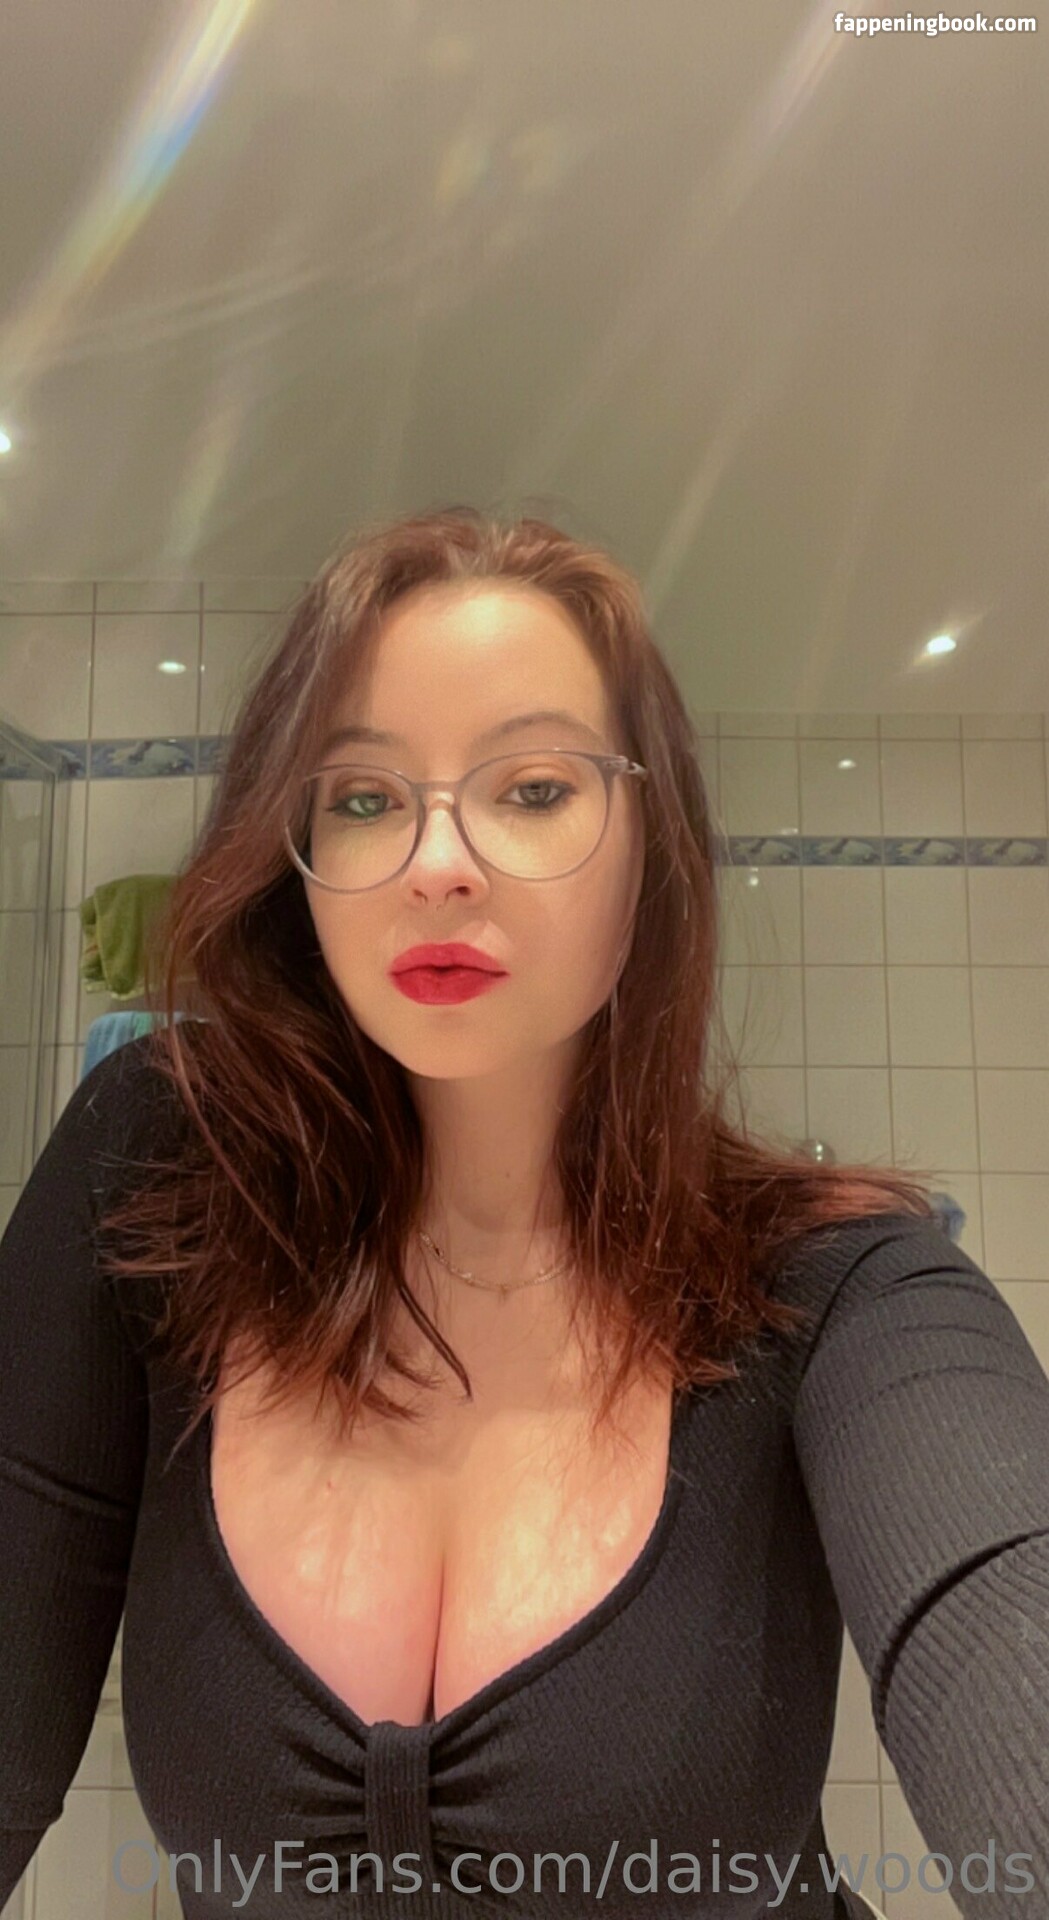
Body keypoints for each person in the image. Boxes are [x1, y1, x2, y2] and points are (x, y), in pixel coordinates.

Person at [1, 506, 1048, 1919]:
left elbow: (1002, 1600)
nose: (436, 861)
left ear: (649, 853)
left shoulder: (833, 1285)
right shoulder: (161, 1178)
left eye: (535, 787)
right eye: (362, 797)